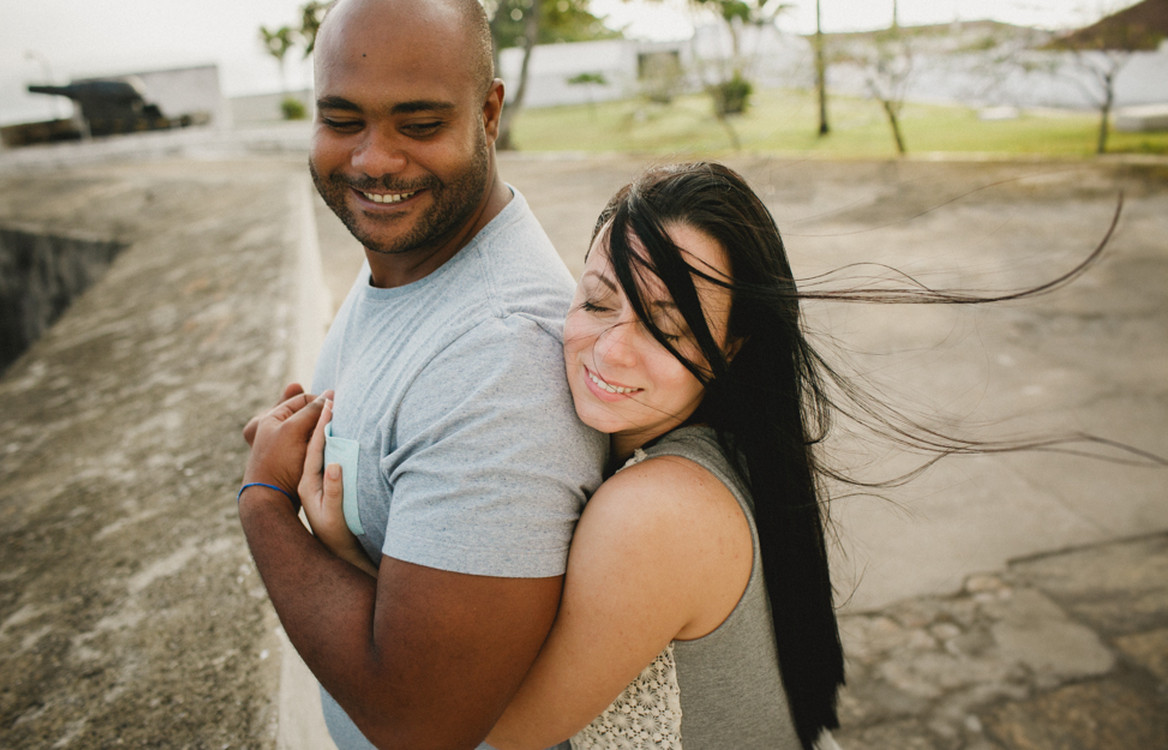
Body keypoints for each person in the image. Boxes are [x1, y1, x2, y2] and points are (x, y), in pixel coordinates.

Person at [285, 161, 849, 749]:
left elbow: (481, 726)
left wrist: (333, 548)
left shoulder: (656, 514)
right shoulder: (720, 445)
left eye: (669, 329)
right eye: (599, 304)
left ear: (732, 346)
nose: (611, 351)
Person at [237, 0, 606, 748]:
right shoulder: (409, 265)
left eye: (419, 124)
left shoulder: (499, 361)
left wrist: (264, 506)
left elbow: (422, 722)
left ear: (489, 113)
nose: (373, 159)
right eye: (343, 121)